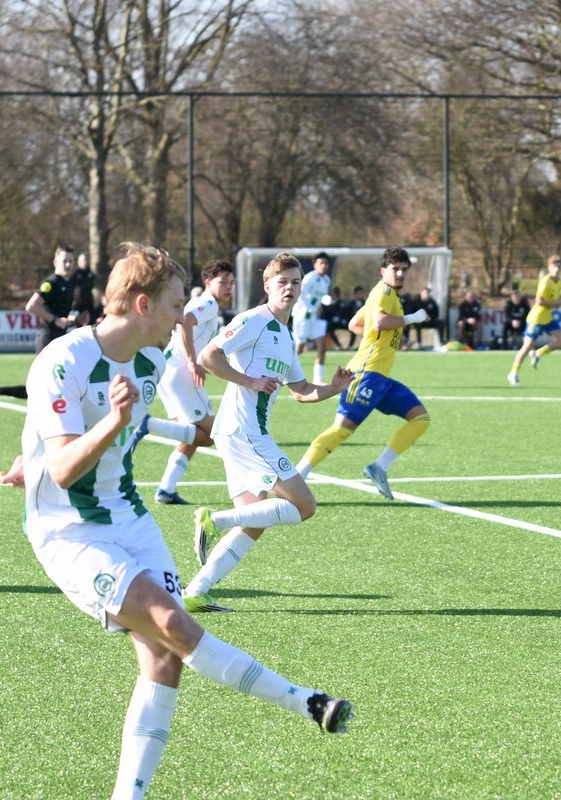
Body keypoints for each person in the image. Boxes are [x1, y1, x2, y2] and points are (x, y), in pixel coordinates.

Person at [21, 242, 352, 800]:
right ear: (143, 304)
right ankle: (307, 701)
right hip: (68, 530)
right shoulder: (63, 360)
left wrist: (171, 429)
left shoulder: (150, 361)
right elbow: (61, 468)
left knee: (165, 658)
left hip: (129, 516)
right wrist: (102, 428)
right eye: (177, 306)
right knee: (173, 625)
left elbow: (120, 432)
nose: (184, 319)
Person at [183, 253, 353, 612]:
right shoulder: (254, 319)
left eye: (295, 282)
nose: (289, 288)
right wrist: (250, 381)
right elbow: (209, 356)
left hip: (240, 432)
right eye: (282, 282)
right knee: (304, 505)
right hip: (244, 430)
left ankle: (196, 590)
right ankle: (214, 520)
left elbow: (301, 390)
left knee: (255, 519)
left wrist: (334, 388)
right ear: (267, 286)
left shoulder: (287, 337)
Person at [295, 247, 432, 502]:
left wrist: (386, 338)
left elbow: (355, 324)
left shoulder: (387, 295)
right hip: (366, 374)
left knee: (420, 418)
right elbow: (379, 322)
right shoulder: (384, 292)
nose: (400, 274)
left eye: (404, 269)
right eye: (395, 269)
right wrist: (412, 318)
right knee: (341, 430)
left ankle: (379, 467)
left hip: (381, 378)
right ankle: (296, 476)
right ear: (383, 271)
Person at [152, 259, 235, 505]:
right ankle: (148, 425)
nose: (228, 287)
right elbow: (185, 320)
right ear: (208, 282)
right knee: (214, 434)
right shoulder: (208, 303)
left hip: (169, 372)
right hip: (180, 374)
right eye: (223, 282)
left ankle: (166, 488)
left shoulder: (207, 304)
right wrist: (191, 361)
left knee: (191, 436)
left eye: (231, 283)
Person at [0, 244, 79, 410]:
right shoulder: (51, 283)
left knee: (52, 383)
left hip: (60, 337)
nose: (68, 264)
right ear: (55, 262)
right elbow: (32, 305)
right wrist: (55, 320)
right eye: (65, 261)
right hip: (48, 337)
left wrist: (70, 319)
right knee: (41, 385)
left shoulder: (68, 284)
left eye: (71, 261)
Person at [508, 254, 561, 385]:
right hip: (536, 318)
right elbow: (539, 301)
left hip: (547, 317)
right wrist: (557, 303)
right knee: (527, 346)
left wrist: (558, 302)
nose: (557, 269)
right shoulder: (545, 281)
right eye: (554, 266)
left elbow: (553, 300)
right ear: (549, 267)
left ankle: (538, 353)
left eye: (559, 266)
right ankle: (513, 373)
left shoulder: (560, 282)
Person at [291, 251, 333, 383]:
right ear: (315, 265)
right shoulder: (309, 278)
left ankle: (318, 379)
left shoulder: (327, 280)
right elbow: (300, 295)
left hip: (316, 318)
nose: (324, 266)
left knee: (322, 347)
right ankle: (282, 372)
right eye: (321, 263)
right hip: (303, 317)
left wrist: (327, 301)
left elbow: (322, 297)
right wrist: (313, 308)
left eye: (326, 263)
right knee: (299, 349)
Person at [70, 252, 98, 326]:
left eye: (86, 260)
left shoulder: (91, 275)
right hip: (77, 306)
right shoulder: (74, 275)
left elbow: (97, 289)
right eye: (83, 260)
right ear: (78, 262)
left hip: (89, 306)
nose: (84, 262)